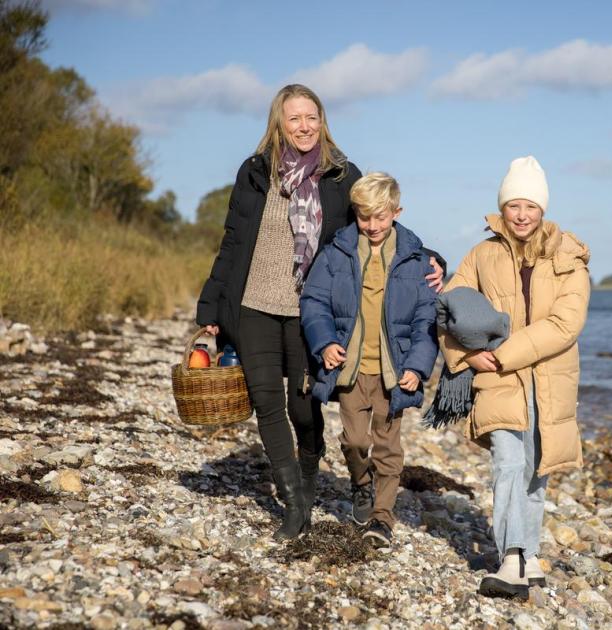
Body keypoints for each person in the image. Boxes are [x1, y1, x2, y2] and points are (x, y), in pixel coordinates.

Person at [196, 85, 444, 541]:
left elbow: (375, 225)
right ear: (279, 122)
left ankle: (310, 470)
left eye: (311, 117)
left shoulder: (340, 174)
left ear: (322, 120)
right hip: (253, 303)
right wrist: (211, 304)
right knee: (267, 402)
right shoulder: (254, 173)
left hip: (309, 306)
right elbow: (231, 240)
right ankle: (294, 503)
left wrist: (428, 257)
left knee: (303, 407)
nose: (304, 126)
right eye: (294, 119)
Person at [438, 156, 590, 599]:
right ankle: (511, 559)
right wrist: (466, 356)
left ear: (542, 208)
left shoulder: (571, 258)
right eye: (513, 205)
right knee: (507, 462)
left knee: (536, 470)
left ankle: (532, 555)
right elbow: (447, 311)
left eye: (530, 205)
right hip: (497, 380)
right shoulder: (482, 255)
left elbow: (565, 325)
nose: (521, 215)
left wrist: (500, 355)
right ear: (502, 208)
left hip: (550, 379)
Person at [299, 172, 439, 548]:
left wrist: (417, 367)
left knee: (388, 446)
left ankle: (382, 518)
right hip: (350, 369)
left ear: (397, 211)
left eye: (381, 216)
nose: (373, 225)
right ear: (356, 214)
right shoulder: (336, 253)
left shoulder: (416, 260)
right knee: (355, 442)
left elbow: (427, 318)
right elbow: (314, 302)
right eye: (365, 217)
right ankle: (361, 484)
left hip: (394, 374)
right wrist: (325, 342)